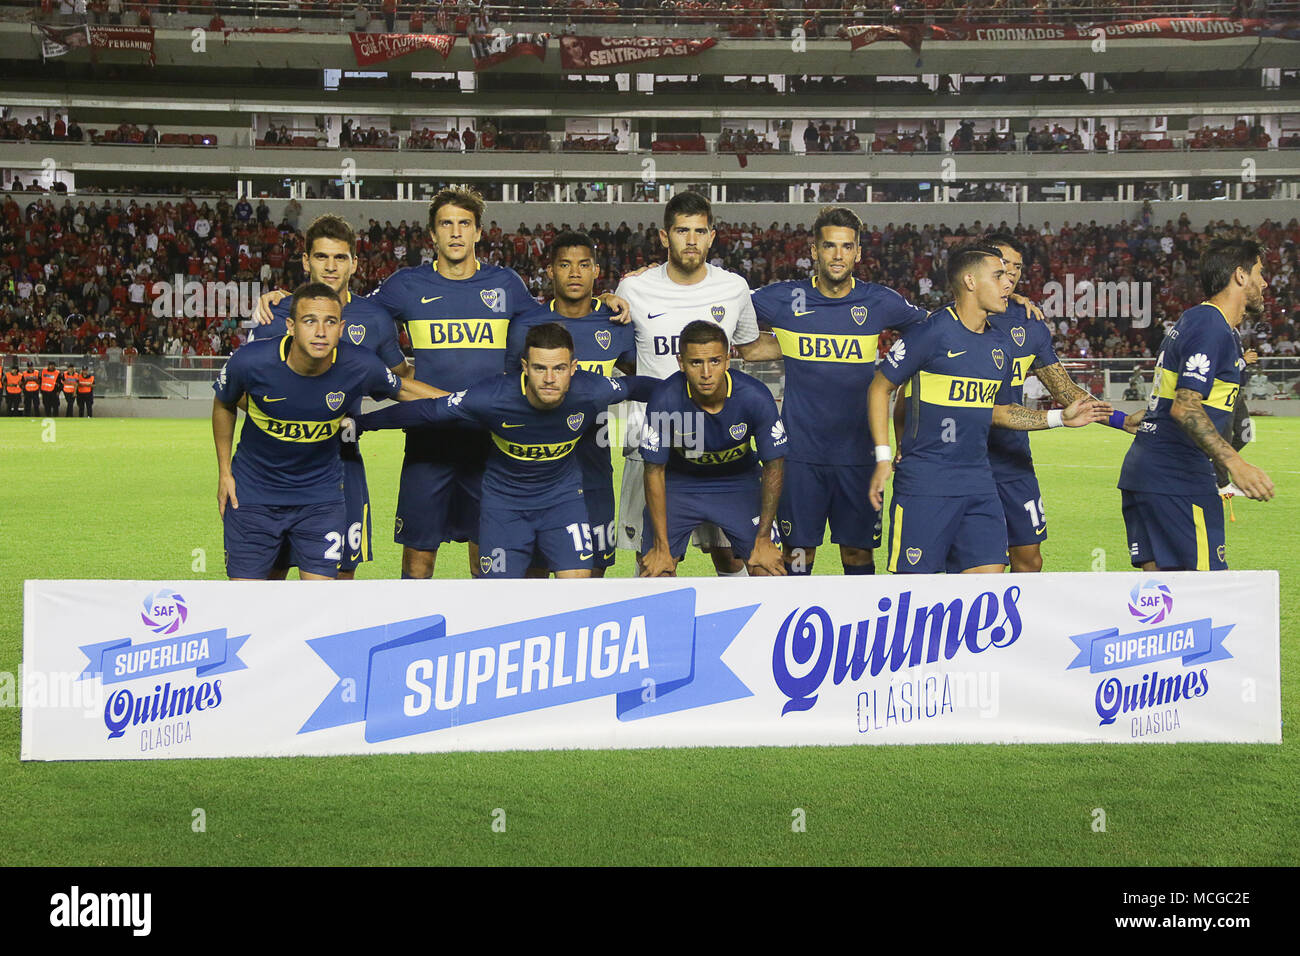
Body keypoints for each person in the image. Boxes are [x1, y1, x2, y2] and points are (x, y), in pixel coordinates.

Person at [254, 187, 627, 580]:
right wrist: (289, 298)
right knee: (418, 562)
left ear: (478, 232)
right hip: (428, 442)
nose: (455, 233)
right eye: (446, 224)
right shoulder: (406, 286)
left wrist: (602, 299)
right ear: (432, 235)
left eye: (464, 224)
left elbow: (559, 318)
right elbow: (346, 308)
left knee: (488, 563)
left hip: (491, 446)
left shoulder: (506, 284)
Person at [867, 246, 1110, 574]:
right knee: (915, 595)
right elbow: (880, 388)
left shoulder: (999, 346)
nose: (1008, 282)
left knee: (987, 592)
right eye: (997, 275)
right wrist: (884, 456)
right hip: (927, 483)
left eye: (1010, 274)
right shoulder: (931, 332)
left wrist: (1059, 418)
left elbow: (998, 411)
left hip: (980, 482)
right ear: (970, 280)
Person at [352, 323, 655, 579]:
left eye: (559, 368)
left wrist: (687, 393)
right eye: (539, 368)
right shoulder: (493, 396)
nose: (549, 379)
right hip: (504, 508)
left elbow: (638, 386)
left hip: (562, 503)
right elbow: (428, 412)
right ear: (525, 367)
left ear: (573, 368)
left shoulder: (592, 390)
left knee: (577, 588)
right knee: (501, 597)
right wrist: (363, 423)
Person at [249, 215, 435, 580]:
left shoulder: (375, 319)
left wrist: (459, 400)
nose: (331, 267)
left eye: (340, 258)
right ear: (305, 261)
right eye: (321, 257)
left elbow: (400, 380)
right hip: (276, 471)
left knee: (337, 583)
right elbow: (243, 387)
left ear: (354, 262)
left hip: (340, 464)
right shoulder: (275, 315)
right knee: (266, 584)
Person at [213, 282, 434, 581]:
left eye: (330, 322)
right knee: (248, 603)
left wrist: (467, 403)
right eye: (309, 321)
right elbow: (223, 402)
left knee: (321, 604)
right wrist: (224, 472)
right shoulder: (251, 361)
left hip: (320, 500)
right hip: (253, 498)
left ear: (341, 328)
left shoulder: (359, 363)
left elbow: (405, 389)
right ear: (290, 326)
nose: (320, 331)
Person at [751, 206, 928, 576]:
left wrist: (896, 366)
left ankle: (860, 633)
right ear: (814, 251)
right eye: (829, 246)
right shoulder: (785, 299)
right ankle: (793, 630)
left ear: (858, 253)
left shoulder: (879, 301)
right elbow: (718, 304)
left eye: (847, 247)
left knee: (858, 556)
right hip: (799, 455)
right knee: (798, 556)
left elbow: (935, 330)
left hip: (859, 455)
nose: (838, 255)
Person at [613, 191, 780, 576]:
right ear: (662, 236)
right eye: (681, 231)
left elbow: (749, 347)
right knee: (655, 560)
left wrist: (814, 345)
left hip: (720, 440)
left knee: (730, 555)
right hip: (654, 441)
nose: (691, 240)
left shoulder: (733, 288)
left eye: (699, 231)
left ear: (712, 236)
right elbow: (624, 357)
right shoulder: (634, 289)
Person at [1117, 239, 1275, 571]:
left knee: (1162, 595)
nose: (1265, 282)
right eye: (1260, 272)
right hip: (1178, 477)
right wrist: (1237, 464)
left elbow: (1166, 405)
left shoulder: (1205, 324)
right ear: (1240, 276)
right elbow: (1185, 408)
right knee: (1206, 591)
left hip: (1148, 472)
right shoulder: (1210, 327)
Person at [979, 232, 1123, 573]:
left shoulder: (1030, 324)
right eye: (1003, 265)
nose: (1011, 273)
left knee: (1029, 561)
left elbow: (1066, 391)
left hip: (1013, 461)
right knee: (980, 565)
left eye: (1017, 267)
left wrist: (1122, 421)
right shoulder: (951, 323)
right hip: (965, 459)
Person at [504, 232, 636, 577]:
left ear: (596, 271)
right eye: (565, 265)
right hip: (536, 476)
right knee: (534, 577)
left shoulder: (615, 324)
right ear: (550, 272)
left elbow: (641, 379)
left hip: (594, 471)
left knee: (592, 576)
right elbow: (508, 394)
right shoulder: (526, 326)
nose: (574, 273)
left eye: (583, 265)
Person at [639, 322, 788, 578]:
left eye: (715, 361)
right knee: (656, 573)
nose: (706, 372)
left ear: (728, 360)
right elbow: (654, 471)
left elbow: (774, 465)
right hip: (681, 484)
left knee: (767, 567)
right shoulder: (665, 399)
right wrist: (662, 547)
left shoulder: (754, 397)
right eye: (696, 362)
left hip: (738, 482)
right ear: (681, 362)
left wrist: (763, 538)